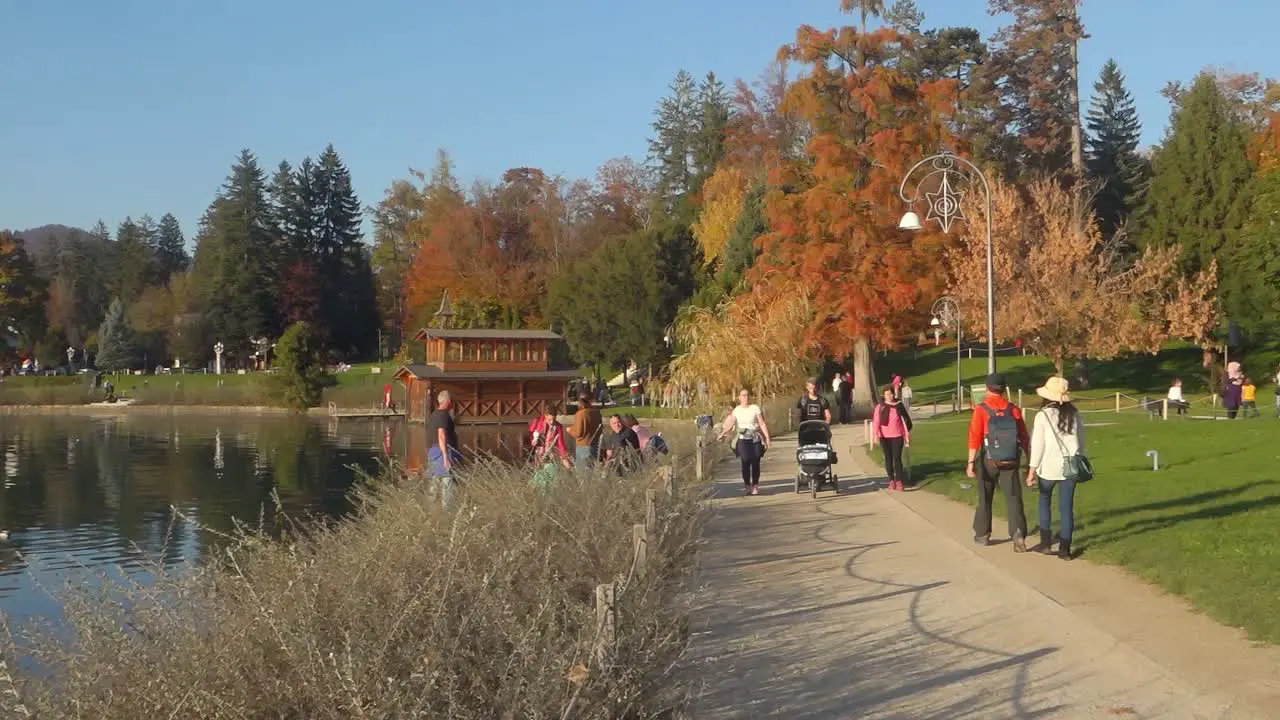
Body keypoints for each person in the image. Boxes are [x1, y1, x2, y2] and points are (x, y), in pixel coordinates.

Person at [966, 373, 1031, 552]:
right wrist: (1029, 459)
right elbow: (1024, 437)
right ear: (1003, 388)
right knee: (1013, 497)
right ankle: (1018, 533)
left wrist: (970, 462)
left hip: (989, 459)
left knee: (985, 497)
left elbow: (975, 437)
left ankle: (982, 533)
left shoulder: (981, 410)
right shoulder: (1013, 409)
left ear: (987, 388)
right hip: (1010, 460)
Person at [1026, 376, 1084, 560]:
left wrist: (1031, 470)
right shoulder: (1075, 414)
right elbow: (1081, 441)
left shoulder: (1043, 415)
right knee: (1066, 508)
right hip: (1070, 467)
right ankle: (1065, 549)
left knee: (1045, 502)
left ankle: (1045, 542)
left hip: (1048, 467)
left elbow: (1038, 445)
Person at [716, 389, 772, 495]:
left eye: (747, 395)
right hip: (743, 439)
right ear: (739, 397)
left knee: (755, 462)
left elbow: (762, 423)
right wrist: (722, 434)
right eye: (743, 395)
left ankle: (755, 484)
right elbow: (730, 423)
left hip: (755, 438)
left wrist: (767, 438)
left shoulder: (755, 408)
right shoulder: (737, 410)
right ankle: (747, 485)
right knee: (745, 461)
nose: (745, 397)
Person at [872, 386, 913, 491]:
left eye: (890, 394)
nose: (889, 396)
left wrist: (906, 434)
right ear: (883, 396)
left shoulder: (899, 405)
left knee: (897, 458)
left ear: (893, 394)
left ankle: (899, 481)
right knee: (888, 458)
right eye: (886, 394)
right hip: (884, 437)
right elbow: (876, 421)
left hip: (897, 435)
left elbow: (905, 420)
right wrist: (875, 434)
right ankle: (891, 480)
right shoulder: (880, 407)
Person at [426, 391, 463, 486]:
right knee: (448, 484)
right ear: (449, 401)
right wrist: (446, 457)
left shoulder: (434, 414)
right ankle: (447, 501)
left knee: (435, 484)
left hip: (434, 451)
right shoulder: (443, 415)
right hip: (443, 451)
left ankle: (431, 501)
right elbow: (441, 434)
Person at [568, 393, 603, 468]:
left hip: (583, 446)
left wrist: (570, 430)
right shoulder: (597, 413)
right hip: (594, 446)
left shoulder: (580, 414)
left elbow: (578, 433)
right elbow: (600, 429)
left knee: (583, 475)